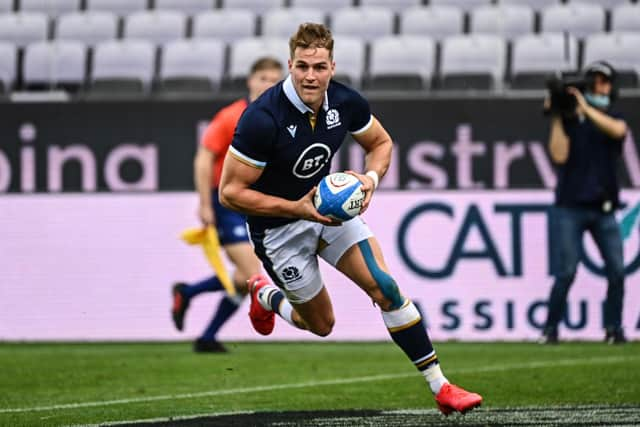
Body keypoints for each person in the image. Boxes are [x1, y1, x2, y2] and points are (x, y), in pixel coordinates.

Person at [219, 23, 482, 414]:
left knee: (386, 288)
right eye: (303, 66)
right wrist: (297, 209)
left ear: (332, 67)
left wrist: (370, 179)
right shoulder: (262, 118)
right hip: (278, 231)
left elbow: (381, 143)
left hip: (328, 211)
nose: (311, 76)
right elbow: (230, 193)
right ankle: (265, 294)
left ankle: (441, 388)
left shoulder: (345, 102)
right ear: (290, 65)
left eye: (320, 67)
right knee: (321, 325)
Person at [171, 57, 284, 353]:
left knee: (243, 278)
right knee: (251, 275)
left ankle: (197, 312)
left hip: (255, 206)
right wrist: (205, 203)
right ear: (250, 81)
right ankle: (202, 323)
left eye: (274, 79)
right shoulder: (232, 116)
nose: (268, 84)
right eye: (263, 78)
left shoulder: (282, 117)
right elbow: (204, 157)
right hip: (228, 203)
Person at [540, 61, 628, 345]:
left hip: (604, 208)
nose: (600, 86)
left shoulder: (610, 117)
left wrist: (585, 109)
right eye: (596, 82)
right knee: (566, 272)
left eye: (605, 82)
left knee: (616, 270)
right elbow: (558, 156)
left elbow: (619, 131)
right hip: (571, 206)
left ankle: (613, 328)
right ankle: (550, 329)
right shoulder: (569, 120)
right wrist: (557, 114)